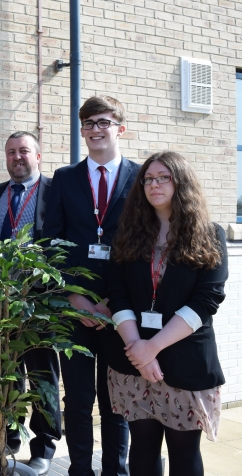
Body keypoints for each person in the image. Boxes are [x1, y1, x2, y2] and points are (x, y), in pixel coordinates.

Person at [107, 151, 227, 476]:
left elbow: (207, 300)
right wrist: (138, 350)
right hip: (133, 363)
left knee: (184, 455)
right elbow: (117, 294)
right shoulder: (128, 234)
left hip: (185, 362)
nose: (154, 184)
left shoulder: (210, 235)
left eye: (163, 177)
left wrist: (152, 348)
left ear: (181, 182)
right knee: (142, 450)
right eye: (148, 179)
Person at [41, 95, 140, 476]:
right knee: (79, 400)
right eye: (88, 123)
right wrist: (73, 295)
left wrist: (114, 301)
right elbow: (53, 241)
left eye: (103, 122)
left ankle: (116, 471)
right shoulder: (65, 178)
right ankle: (79, 470)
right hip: (74, 309)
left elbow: (144, 245)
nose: (95, 130)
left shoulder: (140, 176)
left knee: (116, 399)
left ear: (120, 128)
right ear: (81, 130)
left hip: (121, 308)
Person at [0, 131, 59, 475]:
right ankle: (7, 437)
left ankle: (44, 445)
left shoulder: (54, 192)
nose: (17, 157)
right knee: (5, 372)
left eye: (24, 151)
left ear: (38, 156)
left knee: (41, 375)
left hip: (37, 301)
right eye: (11, 152)